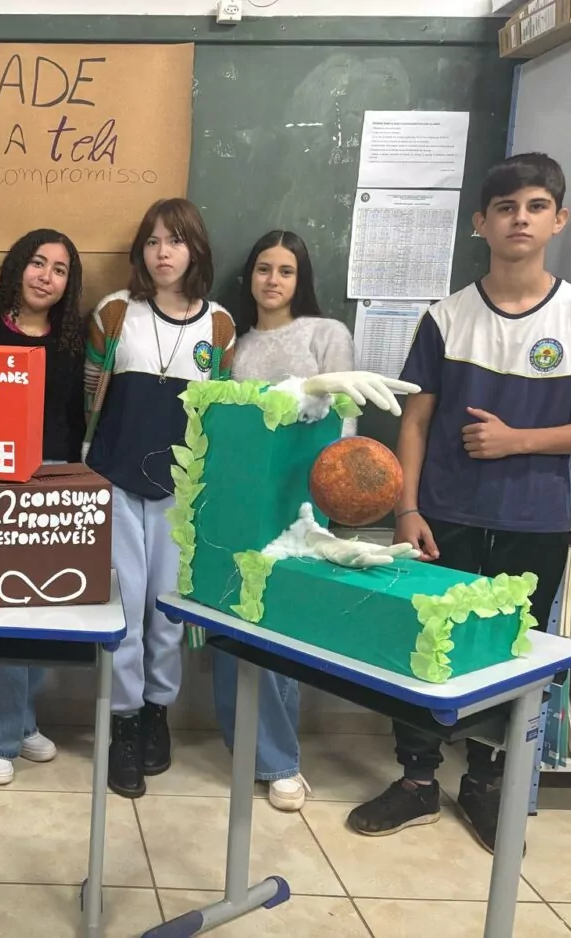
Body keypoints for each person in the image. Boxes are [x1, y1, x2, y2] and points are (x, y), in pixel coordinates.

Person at [348, 152, 571, 852]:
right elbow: (415, 422)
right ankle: (418, 779)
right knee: (426, 640)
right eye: (507, 207)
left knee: (507, 650)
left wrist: (522, 442)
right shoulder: (447, 317)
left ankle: (486, 781)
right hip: (445, 514)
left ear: (560, 218)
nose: (521, 218)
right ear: (481, 223)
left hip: (533, 518)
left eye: (535, 206)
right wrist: (406, 508)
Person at [85, 198, 235, 799]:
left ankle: (156, 713)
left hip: (182, 493)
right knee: (123, 614)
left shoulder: (219, 325)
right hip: (116, 482)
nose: (163, 252)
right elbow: (89, 395)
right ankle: (121, 721)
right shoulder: (115, 313)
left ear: (195, 249)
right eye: (152, 241)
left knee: (167, 614)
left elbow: (222, 413)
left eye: (175, 241)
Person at [211, 230, 356, 813]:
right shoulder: (233, 344)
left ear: (302, 280)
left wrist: (329, 503)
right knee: (228, 620)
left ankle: (280, 760)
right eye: (264, 268)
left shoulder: (326, 334)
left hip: (299, 504)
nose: (273, 280)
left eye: (287, 271)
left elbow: (346, 422)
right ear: (249, 276)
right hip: (234, 501)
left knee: (278, 627)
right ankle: (243, 747)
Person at [0, 229, 86, 785]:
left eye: (59, 270)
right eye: (37, 263)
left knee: (39, 615)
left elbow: (74, 424)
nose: (45, 277)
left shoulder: (71, 348)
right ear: (16, 267)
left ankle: (23, 717)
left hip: (48, 494)